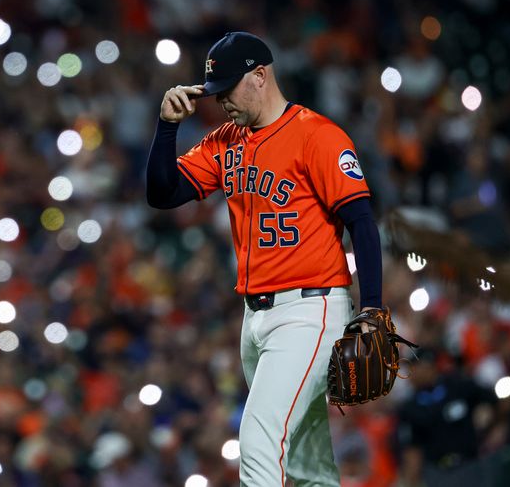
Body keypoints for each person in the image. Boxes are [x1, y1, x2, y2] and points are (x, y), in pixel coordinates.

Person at [146, 31, 384, 486]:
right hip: (253, 319)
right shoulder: (225, 141)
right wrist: (167, 127)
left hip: (309, 311)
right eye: (215, 94)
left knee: (258, 441)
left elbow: (361, 222)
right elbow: (162, 193)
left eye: (229, 90)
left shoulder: (318, 135)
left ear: (260, 76)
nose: (221, 104)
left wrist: (372, 306)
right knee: (307, 465)